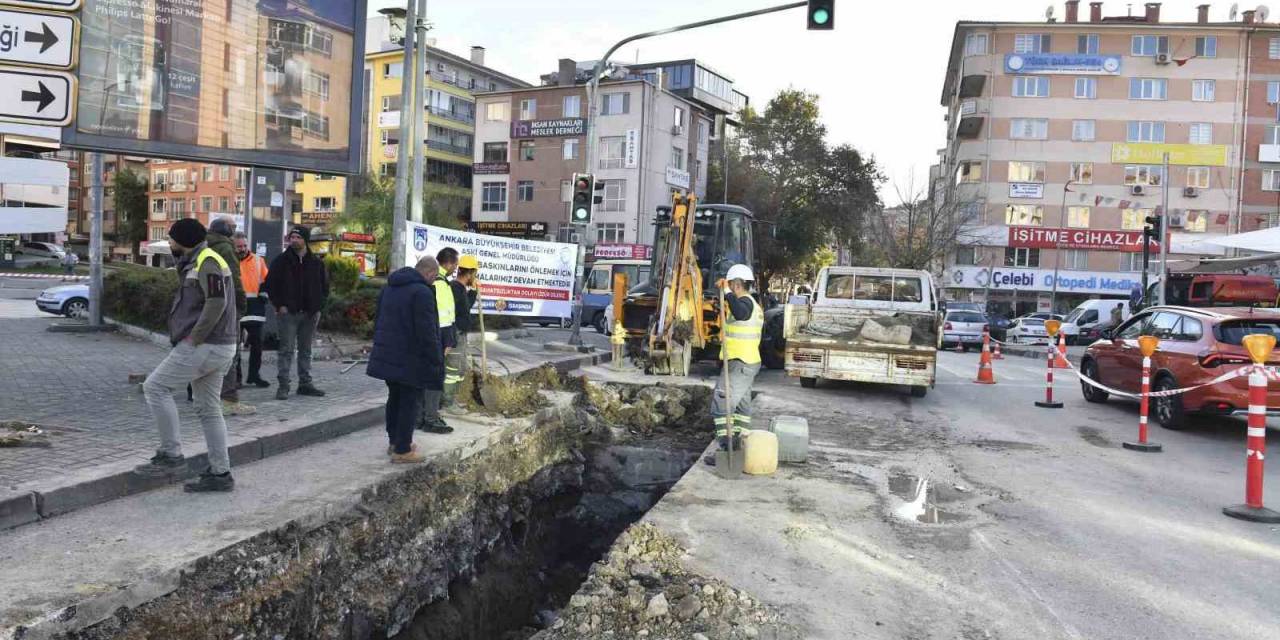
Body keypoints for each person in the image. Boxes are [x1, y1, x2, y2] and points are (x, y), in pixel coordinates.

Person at [133, 219, 239, 492]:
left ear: (184, 241)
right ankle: (220, 473)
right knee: (209, 409)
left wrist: (196, 337)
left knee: (155, 387)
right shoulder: (198, 260)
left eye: (172, 239)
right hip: (220, 345)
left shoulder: (207, 260)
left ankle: (171, 455)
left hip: (205, 345)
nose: (169, 244)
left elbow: (217, 301)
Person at [367, 256, 444, 463]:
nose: (433, 281)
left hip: (388, 354)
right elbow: (427, 331)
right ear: (429, 273)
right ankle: (403, 450)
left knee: (395, 398)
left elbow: (378, 320)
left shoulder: (389, 288)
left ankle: (395, 442)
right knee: (410, 402)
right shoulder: (422, 292)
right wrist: (435, 359)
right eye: (434, 278)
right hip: (411, 357)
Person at [706, 264, 763, 467]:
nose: (728, 287)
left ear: (737, 284)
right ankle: (740, 448)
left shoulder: (745, 303)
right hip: (746, 362)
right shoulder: (752, 305)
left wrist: (727, 293)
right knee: (741, 407)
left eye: (731, 284)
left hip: (740, 363)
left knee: (722, 404)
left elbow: (740, 313)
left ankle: (725, 450)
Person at [265, 226, 329, 400]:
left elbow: (324, 287)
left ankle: (305, 384)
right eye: (291, 237)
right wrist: (279, 305)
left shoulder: (316, 263)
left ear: (305, 240)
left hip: (310, 314)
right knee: (286, 350)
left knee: (306, 350)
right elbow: (270, 285)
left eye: (297, 237)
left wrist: (318, 308)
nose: (293, 240)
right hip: (288, 314)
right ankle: (283, 386)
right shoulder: (281, 261)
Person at [206, 217, 252, 415]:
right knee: (229, 354)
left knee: (209, 352)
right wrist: (241, 303)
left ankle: (208, 397)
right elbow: (234, 278)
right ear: (225, 230)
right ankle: (229, 400)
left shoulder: (204, 246)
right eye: (232, 228)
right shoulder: (225, 248)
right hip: (226, 307)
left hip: (207, 306)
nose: (234, 232)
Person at [419, 247, 458, 433]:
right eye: (455, 264)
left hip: (435, 336)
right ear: (448, 263)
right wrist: (447, 341)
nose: (456, 268)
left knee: (426, 377)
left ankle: (422, 416)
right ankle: (430, 417)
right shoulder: (440, 283)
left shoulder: (439, 281)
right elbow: (442, 317)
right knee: (434, 378)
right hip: (439, 338)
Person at [443, 254, 480, 415]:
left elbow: (465, 309)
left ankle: (452, 400)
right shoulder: (455, 289)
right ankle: (448, 402)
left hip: (460, 333)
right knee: (453, 369)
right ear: (470, 273)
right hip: (455, 334)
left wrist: (473, 292)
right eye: (475, 274)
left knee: (461, 368)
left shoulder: (460, 289)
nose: (475, 277)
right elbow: (462, 313)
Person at [234, 232, 270, 388]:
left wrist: (264, 294)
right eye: (239, 246)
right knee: (234, 347)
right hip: (236, 307)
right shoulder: (229, 261)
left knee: (257, 345)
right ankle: (236, 378)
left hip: (255, 307)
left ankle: (254, 375)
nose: (242, 249)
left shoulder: (258, 260)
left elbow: (266, 280)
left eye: (244, 245)